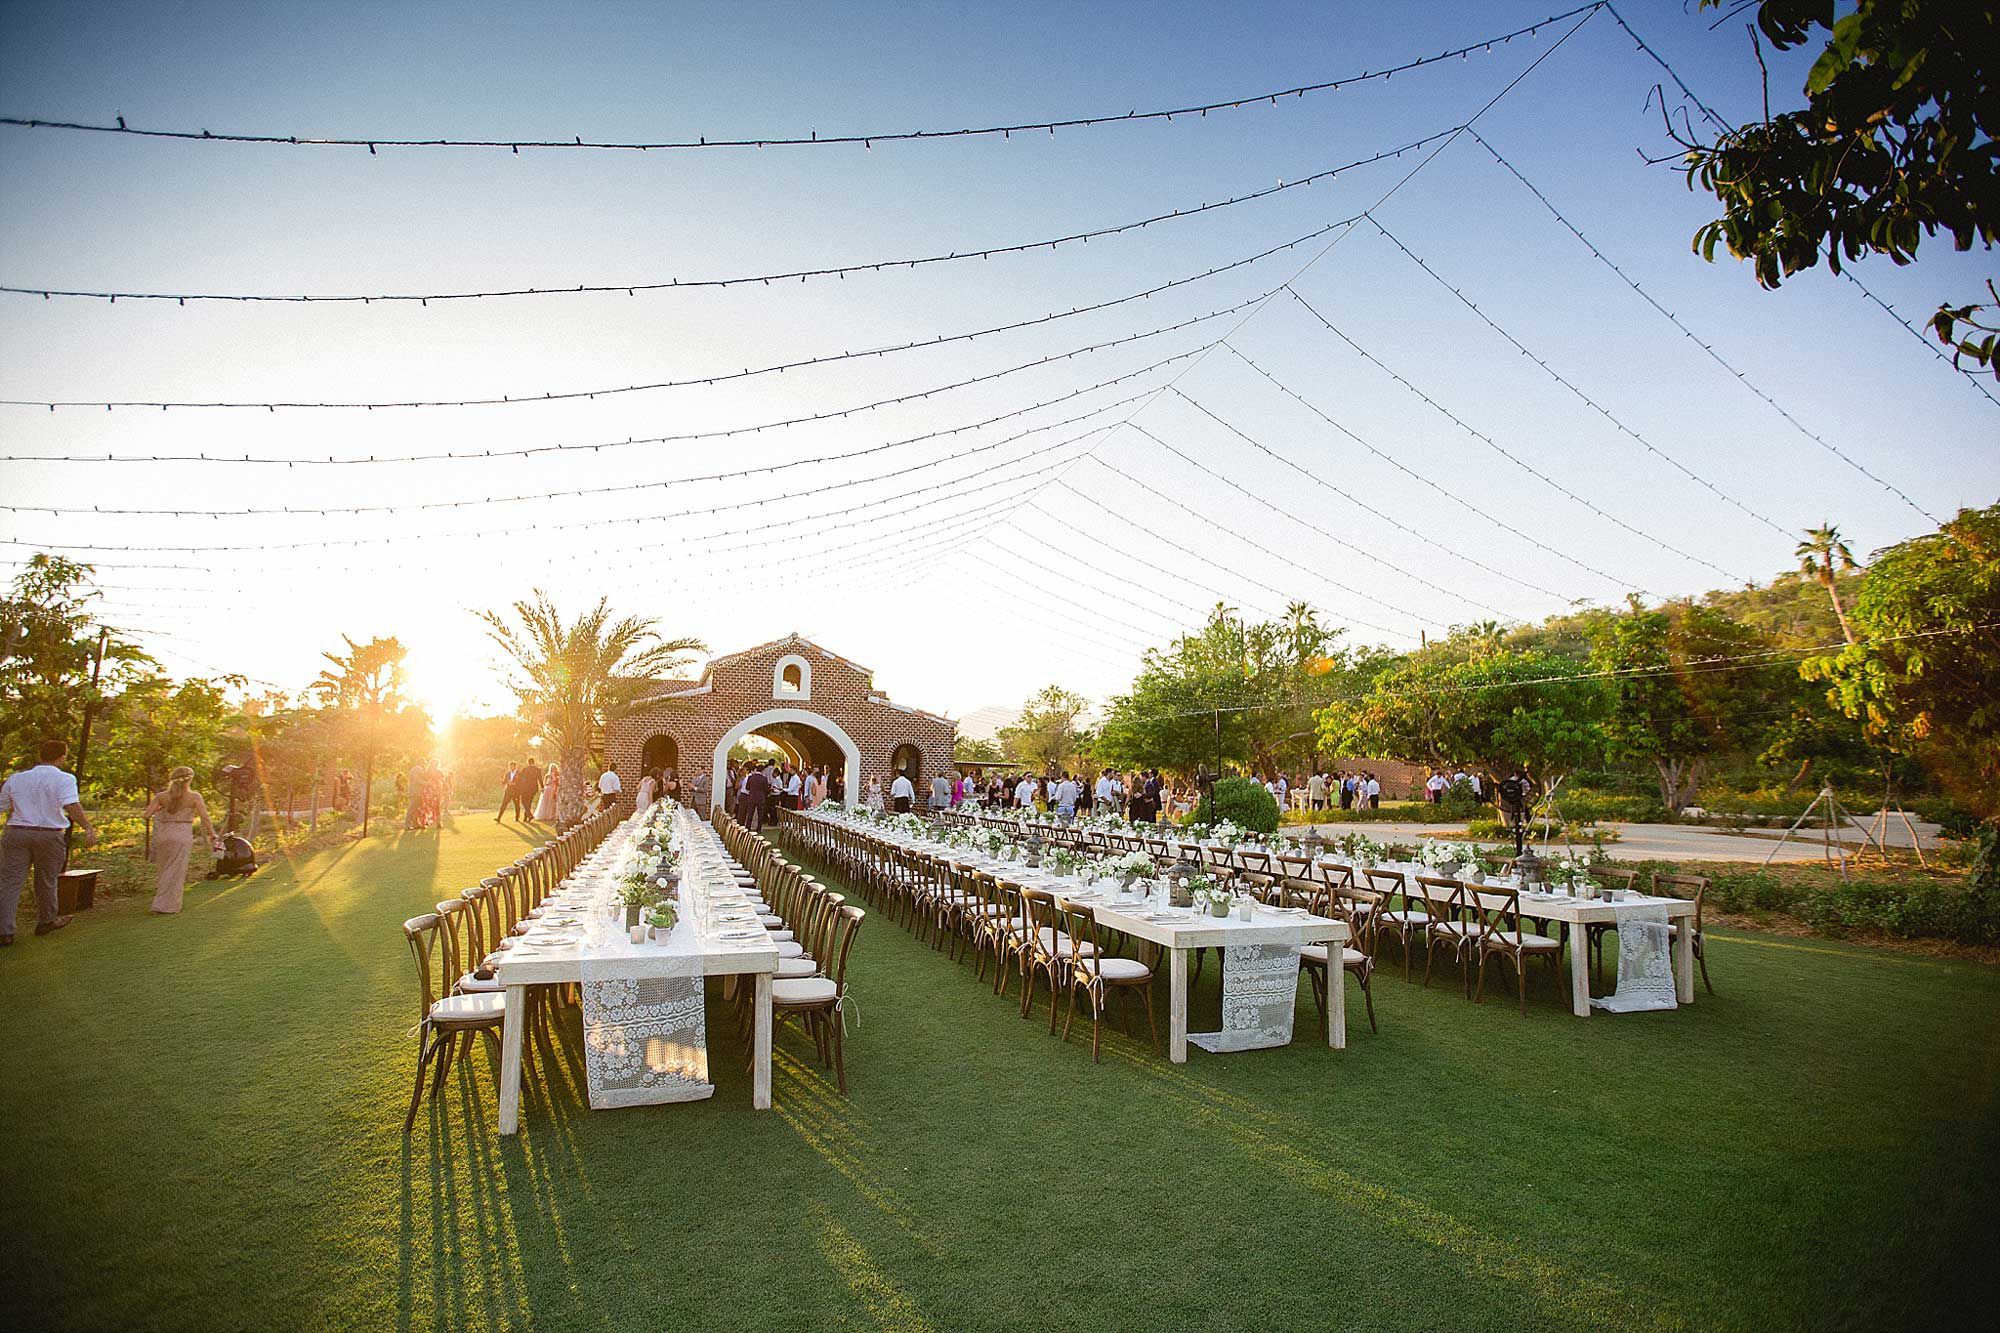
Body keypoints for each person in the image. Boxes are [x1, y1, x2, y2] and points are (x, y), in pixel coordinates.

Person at [0, 739, 97, 944]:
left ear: (40, 755)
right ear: (62, 756)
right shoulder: (64, 779)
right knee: (46, 879)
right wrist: (87, 826)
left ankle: (5, 930)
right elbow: (71, 804)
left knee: (10, 882)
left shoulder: (16, 778)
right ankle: (46, 920)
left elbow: (2, 805)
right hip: (49, 834)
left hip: (17, 832)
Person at [144, 766, 222, 915]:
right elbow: (204, 817)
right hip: (181, 834)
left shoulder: (161, 796)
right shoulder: (195, 797)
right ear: (190, 779)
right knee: (176, 870)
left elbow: (146, 815)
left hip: (163, 834)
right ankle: (166, 906)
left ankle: (161, 901)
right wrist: (212, 833)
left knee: (164, 868)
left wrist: (160, 809)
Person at [743, 764, 772, 830]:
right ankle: (759, 828)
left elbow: (747, 787)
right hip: (760, 798)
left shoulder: (751, 777)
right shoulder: (764, 778)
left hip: (752, 797)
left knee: (750, 813)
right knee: (760, 814)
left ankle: (748, 827)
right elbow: (766, 789)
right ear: (762, 770)